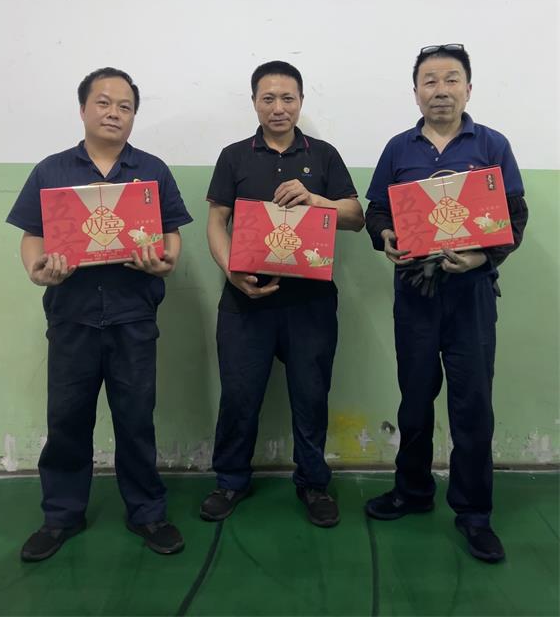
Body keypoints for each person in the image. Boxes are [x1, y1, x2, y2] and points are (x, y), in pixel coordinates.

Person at [7, 67, 193, 560]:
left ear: (134, 115)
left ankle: (147, 512)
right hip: (72, 318)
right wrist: (37, 271)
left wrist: (166, 260)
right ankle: (60, 516)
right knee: (67, 419)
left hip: (134, 318)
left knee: (136, 419)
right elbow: (31, 234)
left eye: (125, 106)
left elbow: (171, 231)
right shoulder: (51, 170)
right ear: (83, 109)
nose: (114, 113)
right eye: (104, 103)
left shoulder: (151, 170)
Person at [364, 44, 528, 562]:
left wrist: (482, 257)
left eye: (451, 79)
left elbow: (515, 218)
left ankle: (474, 514)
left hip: (471, 298)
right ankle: (412, 491)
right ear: (416, 92)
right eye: (430, 81)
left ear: (468, 89)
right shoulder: (399, 149)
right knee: (414, 400)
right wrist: (385, 236)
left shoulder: (492, 145)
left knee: (472, 405)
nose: (441, 90)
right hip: (415, 295)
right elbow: (375, 211)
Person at [199, 60, 365, 528]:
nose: (278, 107)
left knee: (311, 396)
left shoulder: (324, 156)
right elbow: (216, 222)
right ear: (254, 102)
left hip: (310, 302)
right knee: (239, 396)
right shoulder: (234, 156)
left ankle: (313, 483)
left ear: (300, 102)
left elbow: (356, 217)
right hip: (245, 301)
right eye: (268, 98)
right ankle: (230, 481)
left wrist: (316, 199)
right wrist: (232, 271)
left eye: (287, 98)